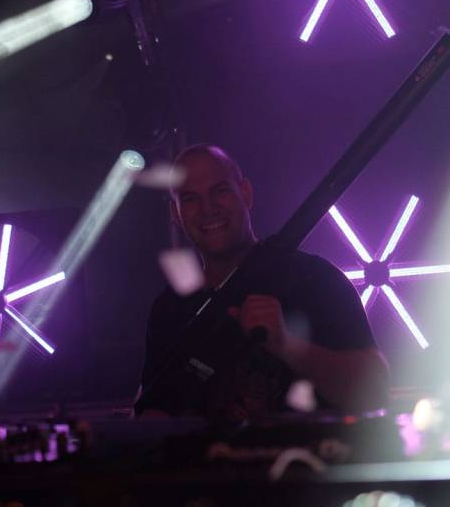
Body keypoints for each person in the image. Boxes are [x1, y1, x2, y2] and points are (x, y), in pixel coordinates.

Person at [135, 144, 389, 419]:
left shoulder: (314, 279)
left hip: (309, 449)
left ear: (245, 193)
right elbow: (152, 414)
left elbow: (375, 390)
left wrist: (288, 345)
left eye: (220, 191)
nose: (208, 209)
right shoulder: (170, 309)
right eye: (190, 199)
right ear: (175, 214)